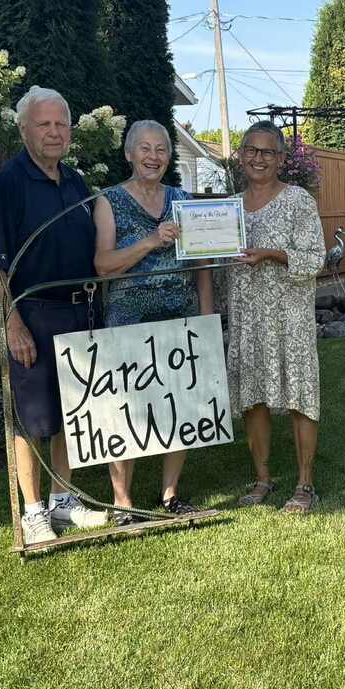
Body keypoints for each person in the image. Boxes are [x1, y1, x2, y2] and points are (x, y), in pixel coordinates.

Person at [0, 86, 109, 545]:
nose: (54, 132)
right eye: (44, 124)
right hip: (32, 316)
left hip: (81, 311)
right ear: (23, 130)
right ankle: (33, 512)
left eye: (60, 124)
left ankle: (63, 501)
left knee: (73, 410)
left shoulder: (75, 182)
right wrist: (11, 323)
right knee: (30, 418)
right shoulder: (6, 185)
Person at [94, 119, 213, 517]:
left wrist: (206, 318)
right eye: (144, 148)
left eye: (161, 149)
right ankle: (122, 502)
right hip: (128, 321)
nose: (153, 156)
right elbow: (103, 265)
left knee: (179, 406)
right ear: (129, 154)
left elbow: (202, 263)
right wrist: (149, 241)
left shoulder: (182, 199)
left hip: (180, 315)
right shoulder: (109, 201)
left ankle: (170, 495)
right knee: (124, 409)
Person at [226, 121, 325, 513]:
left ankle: (305, 484)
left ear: (281, 158)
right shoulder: (227, 209)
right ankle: (263, 479)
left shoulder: (298, 200)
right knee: (253, 397)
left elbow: (315, 259)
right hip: (247, 318)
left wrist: (270, 254)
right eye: (251, 150)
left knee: (300, 395)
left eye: (267, 152)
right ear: (240, 155)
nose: (258, 158)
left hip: (289, 319)